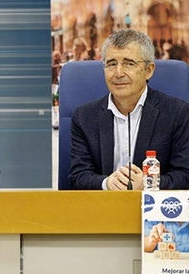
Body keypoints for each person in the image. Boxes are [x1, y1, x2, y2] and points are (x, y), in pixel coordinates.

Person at [68, 29, 189, 190]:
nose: (118, 73)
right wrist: (107, 183)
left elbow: (184, 175)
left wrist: (148, 184)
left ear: (149, 70)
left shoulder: (177, 113)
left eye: (129, 63)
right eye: (111, 64)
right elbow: (78, 175)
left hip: (154, 209)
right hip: (104, 206)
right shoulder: (84, 117)